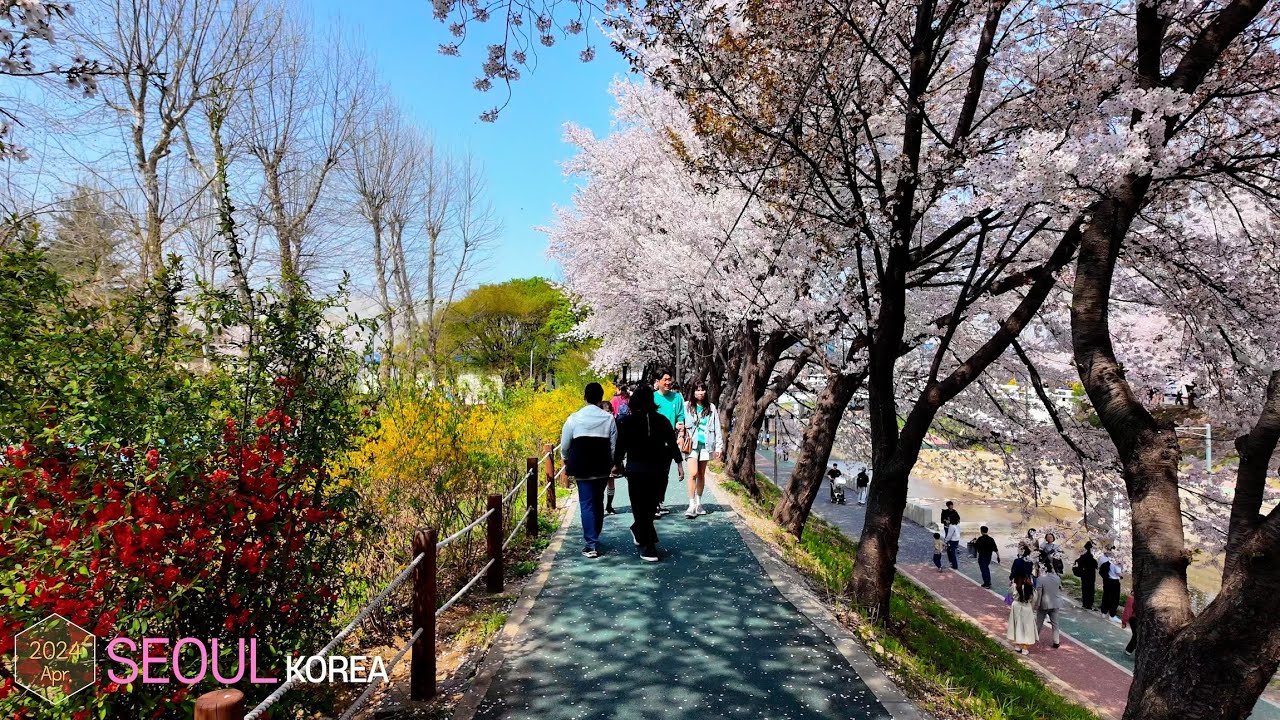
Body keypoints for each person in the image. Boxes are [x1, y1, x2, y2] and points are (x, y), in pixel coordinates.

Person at [612, 386, 685, 562]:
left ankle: (646, 541)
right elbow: (672, 444)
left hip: (636, 470)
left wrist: (616, 464)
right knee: (649, 507)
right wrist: (679, 464)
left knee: (640, 507)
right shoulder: (662, 420)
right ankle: (648, 543)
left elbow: (620, 446)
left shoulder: (627, 422)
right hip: (658, 470)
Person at [559, 383, 618, 559]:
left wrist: (565, 458)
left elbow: (565, 443)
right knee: (598, 501)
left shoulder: (574, 418)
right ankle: (595, 537)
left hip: (582, 466)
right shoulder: (608, 418)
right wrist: (614, 463)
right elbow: (613, 446)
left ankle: (590, 544)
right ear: (601, 398)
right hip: (601, 465)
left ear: (585, 397)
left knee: (586, 503)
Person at [683, 383, 721, 518]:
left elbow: (717, 427)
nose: (700, 393)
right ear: (693, 392)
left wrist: (718, 447)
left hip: (706, 444)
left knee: (701, 474)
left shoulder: (711, 408)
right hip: (692, 444)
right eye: (697, 390)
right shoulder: (687, 406)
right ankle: (691, 504)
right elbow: (680, 420)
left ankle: (699, 503)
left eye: (702, 390)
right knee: (692, 473)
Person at [651, 371, 686, 518]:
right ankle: (653, 503)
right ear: (658, 381)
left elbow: (681, 416)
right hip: (653, 441)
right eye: (665, 380)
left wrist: (681, 428)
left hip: (669, 441)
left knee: (664, 473)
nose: (667, 383)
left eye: (669, 380)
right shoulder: (652, 397)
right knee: (654, 472)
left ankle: (659, 501)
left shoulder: (677, 398)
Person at [1034, 560, 1064, 649]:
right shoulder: (1057, 578)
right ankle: (1056, 641)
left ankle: (1035, 637)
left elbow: (1039, 592)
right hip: (1055, 603)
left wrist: (1037, 604)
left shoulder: (1040, 579)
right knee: (1055, 623)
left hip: (1044, 603)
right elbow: (1060, 588)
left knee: (1039, 623)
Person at [1007, 577, 1037, 655]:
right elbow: (1034, 600)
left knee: (1017, 626)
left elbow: (1009, 592)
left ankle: (1017, 645)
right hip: (1027, 607)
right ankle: (1025, 648)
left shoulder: (1015, 586)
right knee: (1027, 628)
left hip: (1016, 606)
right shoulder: (1032, 589)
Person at [1100, 546, 1124, 622]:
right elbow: (1118, 574)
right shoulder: (1117, 563)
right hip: (1114, 582)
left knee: (1106, 596)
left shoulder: (1108, 561)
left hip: (1107, 581)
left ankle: (1104, 612)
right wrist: (1121, 573)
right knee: (1114, 599)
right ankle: (1112, 615)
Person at [1073, 541, 1099, 610]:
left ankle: (1084, 603)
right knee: (1091, 590)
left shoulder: (1082, 557)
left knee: (1085, 589)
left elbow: (1076, 562)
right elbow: (1096, 566)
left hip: (1084, 574)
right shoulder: (1093, 557)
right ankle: (1089, 604)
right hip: (1091, 575)